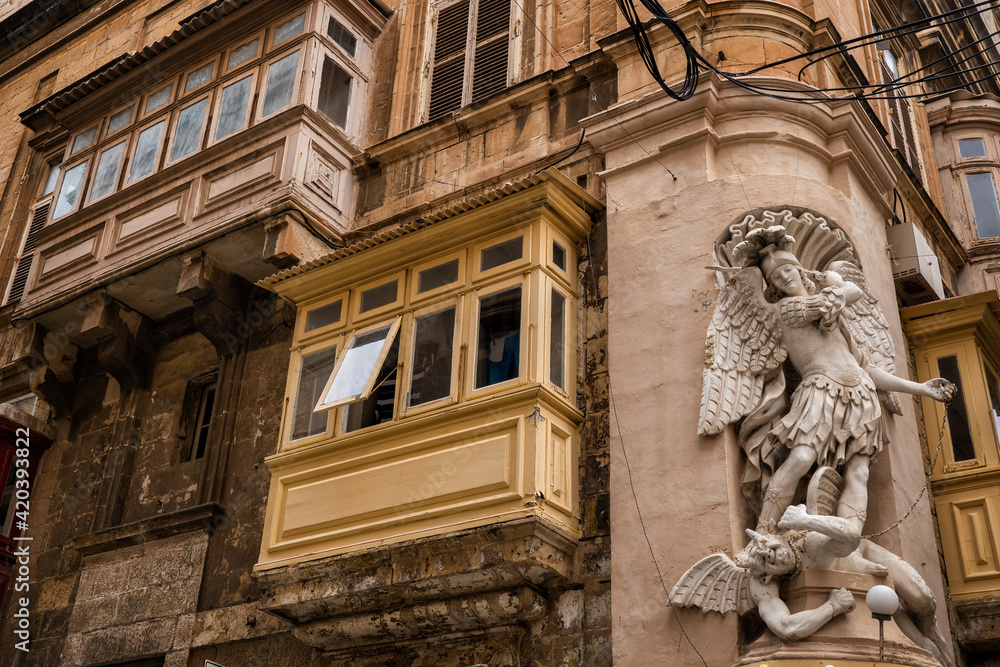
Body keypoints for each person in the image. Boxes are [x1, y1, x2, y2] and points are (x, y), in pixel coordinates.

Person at [753, 245, 954, 532]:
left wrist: (920, 388)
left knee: (858, 473)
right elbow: (843, 297)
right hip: (820, 389)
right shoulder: (788, 310)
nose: (784, 278)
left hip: (861, 392)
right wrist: (835, 281)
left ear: (798, 269)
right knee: (800, 458)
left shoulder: (835, 317)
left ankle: (848, 538)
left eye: (787, 269)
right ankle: (763, 534)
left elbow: (866, 369)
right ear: (773, 286)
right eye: (775, 277)